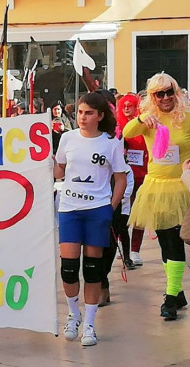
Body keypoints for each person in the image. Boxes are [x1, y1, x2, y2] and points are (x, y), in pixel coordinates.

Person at [54, 92, 128, 346]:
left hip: (97, 210)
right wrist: (41, 160)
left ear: (100, 116)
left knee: (93, 269)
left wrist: (111, 207)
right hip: (69, 209)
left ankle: (90, 323)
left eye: (88, 113)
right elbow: (58, 170)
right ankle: (74, 314)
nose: (82, 118)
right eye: (80, 113)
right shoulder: (67, 138)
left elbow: (121, 178)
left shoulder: (110, 142)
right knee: (69, 267)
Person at [123, 72, 190, 321]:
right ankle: (178, 291)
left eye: (168, 92)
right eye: (158, 94)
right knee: (164, 242)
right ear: (152, 96)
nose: (165, 98)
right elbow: (128, 132)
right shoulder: (150, 119)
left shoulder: (186, 118)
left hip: (181, 187)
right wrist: (142, 118)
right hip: (156, 187)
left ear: (176, 92)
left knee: (175, 241)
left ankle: (171, 297)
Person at [100, 165, 135, 306]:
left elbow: (126, 189)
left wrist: (113, 203)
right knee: (93, 248)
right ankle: (100, 283)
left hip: (116, 208)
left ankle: (103, 282)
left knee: (111, 243)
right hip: (92, 205)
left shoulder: (124, 168)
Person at [120, 94, 148, 266]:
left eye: (130, 105)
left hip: (143, 175)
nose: (126, 108)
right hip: (124, 176)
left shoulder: (145, 126)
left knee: (140, 214)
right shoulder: (118, 128)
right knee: (122, 213)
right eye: (124, 106)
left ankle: (135, 250)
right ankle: (122, 245)